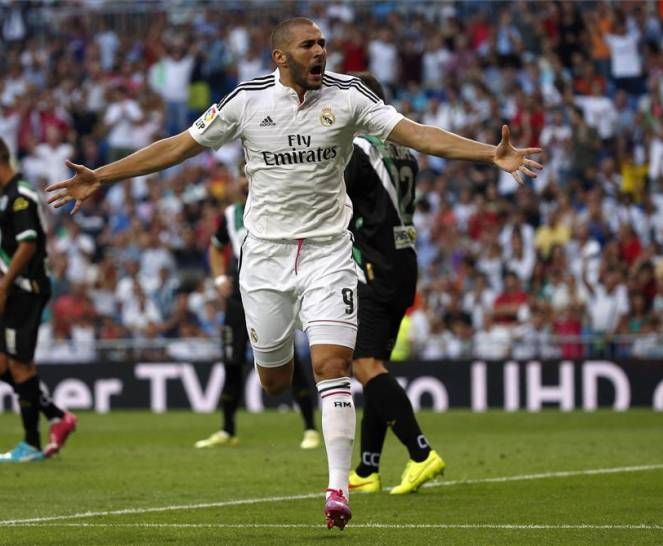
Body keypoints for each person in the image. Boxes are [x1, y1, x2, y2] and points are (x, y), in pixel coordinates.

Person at [46, 17, 541, 529]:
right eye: (309, 45)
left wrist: (490, 153)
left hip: (329, 253)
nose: (320, 52)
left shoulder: (349, 96)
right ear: (281, 57)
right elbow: (178, 146)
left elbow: (414, 134)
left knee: (333, 366)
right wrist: (102, 175)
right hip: (264, 259)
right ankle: (305, 412)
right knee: (275, 382)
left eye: (323, 43)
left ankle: (337, 489)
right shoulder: (246, 101)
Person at [342, 72, 445, 495]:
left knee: (363, 365)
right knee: (374, 368)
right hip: (404, 262)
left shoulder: (359, 152)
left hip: (375, 266)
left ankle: (421, 454)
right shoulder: (405, 152)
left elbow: (335, 203)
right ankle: (367, 469)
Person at [196, 172, 320, 450]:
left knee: (289, 359)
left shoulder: (279, 207)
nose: (243, 181)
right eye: (240, 176)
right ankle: (227, 430)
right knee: (231, 361)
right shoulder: (230, 215)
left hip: (273, 291)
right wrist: (218, 279)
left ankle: (311, 428)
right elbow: (217, 248)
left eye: (247, 174)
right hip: (239, 297)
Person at [0, 135, 77, 462]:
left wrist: (2, 287)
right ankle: (58, 416)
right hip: (15, 287)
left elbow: (28, 244)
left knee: (19, 365)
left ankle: (31, 443)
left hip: (25, 288)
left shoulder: (20, 196)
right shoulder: (6, 196)